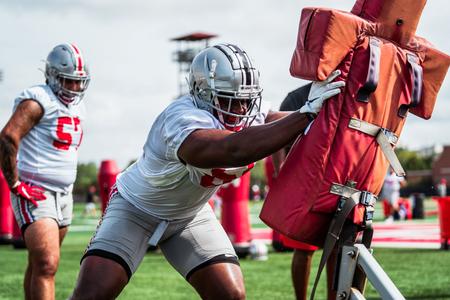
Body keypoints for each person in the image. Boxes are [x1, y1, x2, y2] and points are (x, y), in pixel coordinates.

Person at [70, 43, 344, 299]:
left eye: (245, 101)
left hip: (190, 214)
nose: (240, 110)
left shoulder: (250, 109)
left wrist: (323, 111)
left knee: (230, 294)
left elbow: (273, 123)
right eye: (229, 100)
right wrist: (306, 114)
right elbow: (232, 149)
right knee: (92, 294)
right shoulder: (181, 119)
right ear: (202, 93)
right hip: (137, 209)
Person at [0, 43, 90, 299]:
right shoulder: (38, 99)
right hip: (36, 190)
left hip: (64, 194)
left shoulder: (77, 106)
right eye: (67, 81)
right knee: (47, 263)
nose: (74, 88)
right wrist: (15, 184)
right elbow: (7, 138)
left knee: (39, 263)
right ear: (52, 75)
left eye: (78, 81)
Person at [271, 84, 335, 300]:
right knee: (304, 248)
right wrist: (281, 170)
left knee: (336, 248)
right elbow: (276, 133)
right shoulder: (297, 96)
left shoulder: (345, 90)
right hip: (304, 179)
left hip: (335, 176)